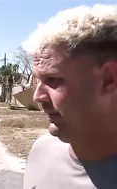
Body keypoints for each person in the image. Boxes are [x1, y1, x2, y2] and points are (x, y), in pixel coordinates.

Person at [22, 4, 117, 189]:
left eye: (53, 79)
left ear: (108, 80)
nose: (38, 97)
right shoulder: (42, 152)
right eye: (38, 81)